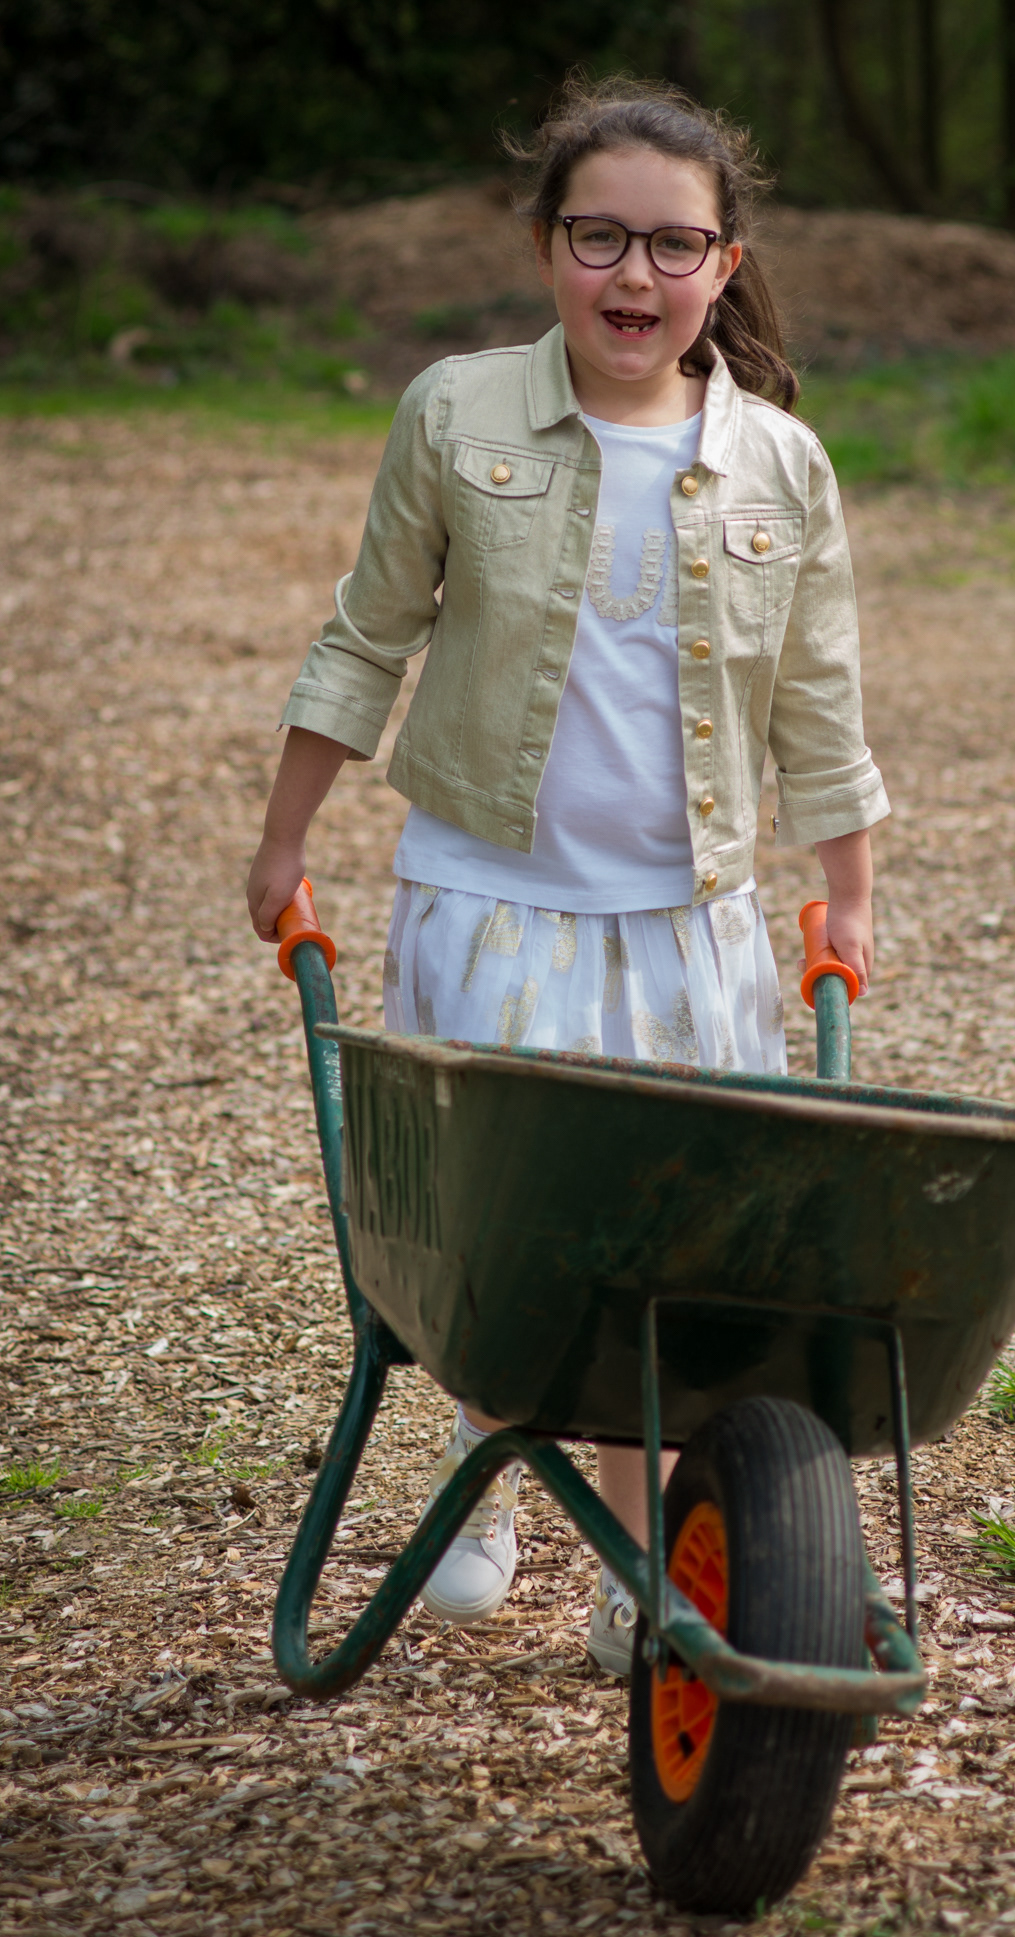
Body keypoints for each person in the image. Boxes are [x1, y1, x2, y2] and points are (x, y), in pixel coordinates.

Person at [246, 75, 888, 1675]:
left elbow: (819, 702)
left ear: (723, 266)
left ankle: (640, 1556)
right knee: (508, 1237)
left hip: (691, 922)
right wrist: (286, 837)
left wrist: (849, 893)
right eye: (597, 236)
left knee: (675, 1255)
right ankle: (488, 1468)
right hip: (491, 897)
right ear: (545, 244)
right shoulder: (458, 416)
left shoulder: (779, 464)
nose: (632, 275)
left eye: (673, 245)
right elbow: (368, 632)